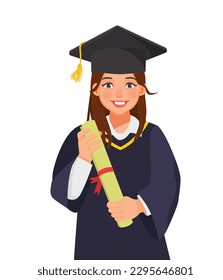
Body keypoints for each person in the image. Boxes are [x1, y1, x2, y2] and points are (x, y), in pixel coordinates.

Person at [51, 26, 180, 260]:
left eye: (130, 84)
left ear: (141, 90)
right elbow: (67, 197)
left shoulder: (151, 135)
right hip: (94, 244)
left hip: (144, 249)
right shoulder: (82, 136)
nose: (119, 94)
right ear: (96, 89)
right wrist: (83, 159)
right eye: (108, 84)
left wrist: (140, 206)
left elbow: (168, 183)